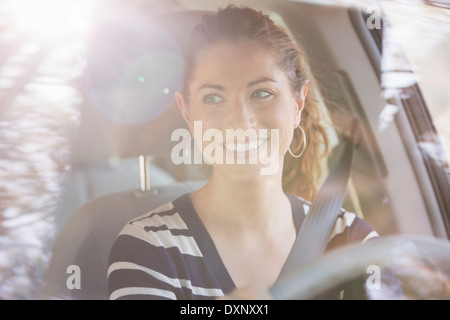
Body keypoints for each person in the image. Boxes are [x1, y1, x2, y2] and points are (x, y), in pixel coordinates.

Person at [107, 5, 379, 300]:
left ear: (297, 104)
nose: (240, 120)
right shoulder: (149, 248)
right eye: (213, 98)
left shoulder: (351, 241)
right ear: (186, 111)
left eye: (261, 93)